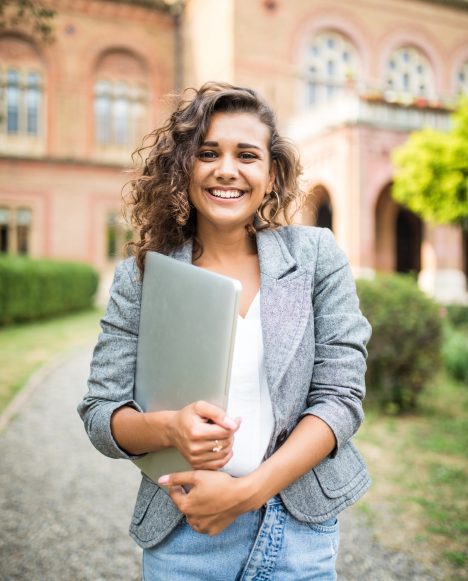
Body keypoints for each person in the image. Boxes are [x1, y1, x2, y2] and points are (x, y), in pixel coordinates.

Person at [78, 82, 372, 580]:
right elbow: (101, 413)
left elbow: (341, 399)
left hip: (298, 532)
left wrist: (246, 493)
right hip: (187, 536)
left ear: (272, 173)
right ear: (184, 166)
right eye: (208, 152)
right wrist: (169, 428)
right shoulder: (143, 275)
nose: (227, 169)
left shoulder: (317, 256)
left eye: (247, 155)